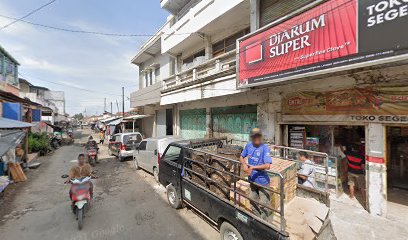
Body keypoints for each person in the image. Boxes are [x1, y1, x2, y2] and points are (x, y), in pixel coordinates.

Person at [240, 128, 272, 220]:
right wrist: (244, 165)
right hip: (252, 181)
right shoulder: (249, 146)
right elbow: (241, 157)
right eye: (254, 136)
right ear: (252, 137)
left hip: (263, 182)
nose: (256, 138)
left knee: (264, 205)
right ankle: (258, 221)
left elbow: (267, 165)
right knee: (253, 202)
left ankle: (264, 224)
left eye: (258, 136)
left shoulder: (265, 148)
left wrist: (253, 167)